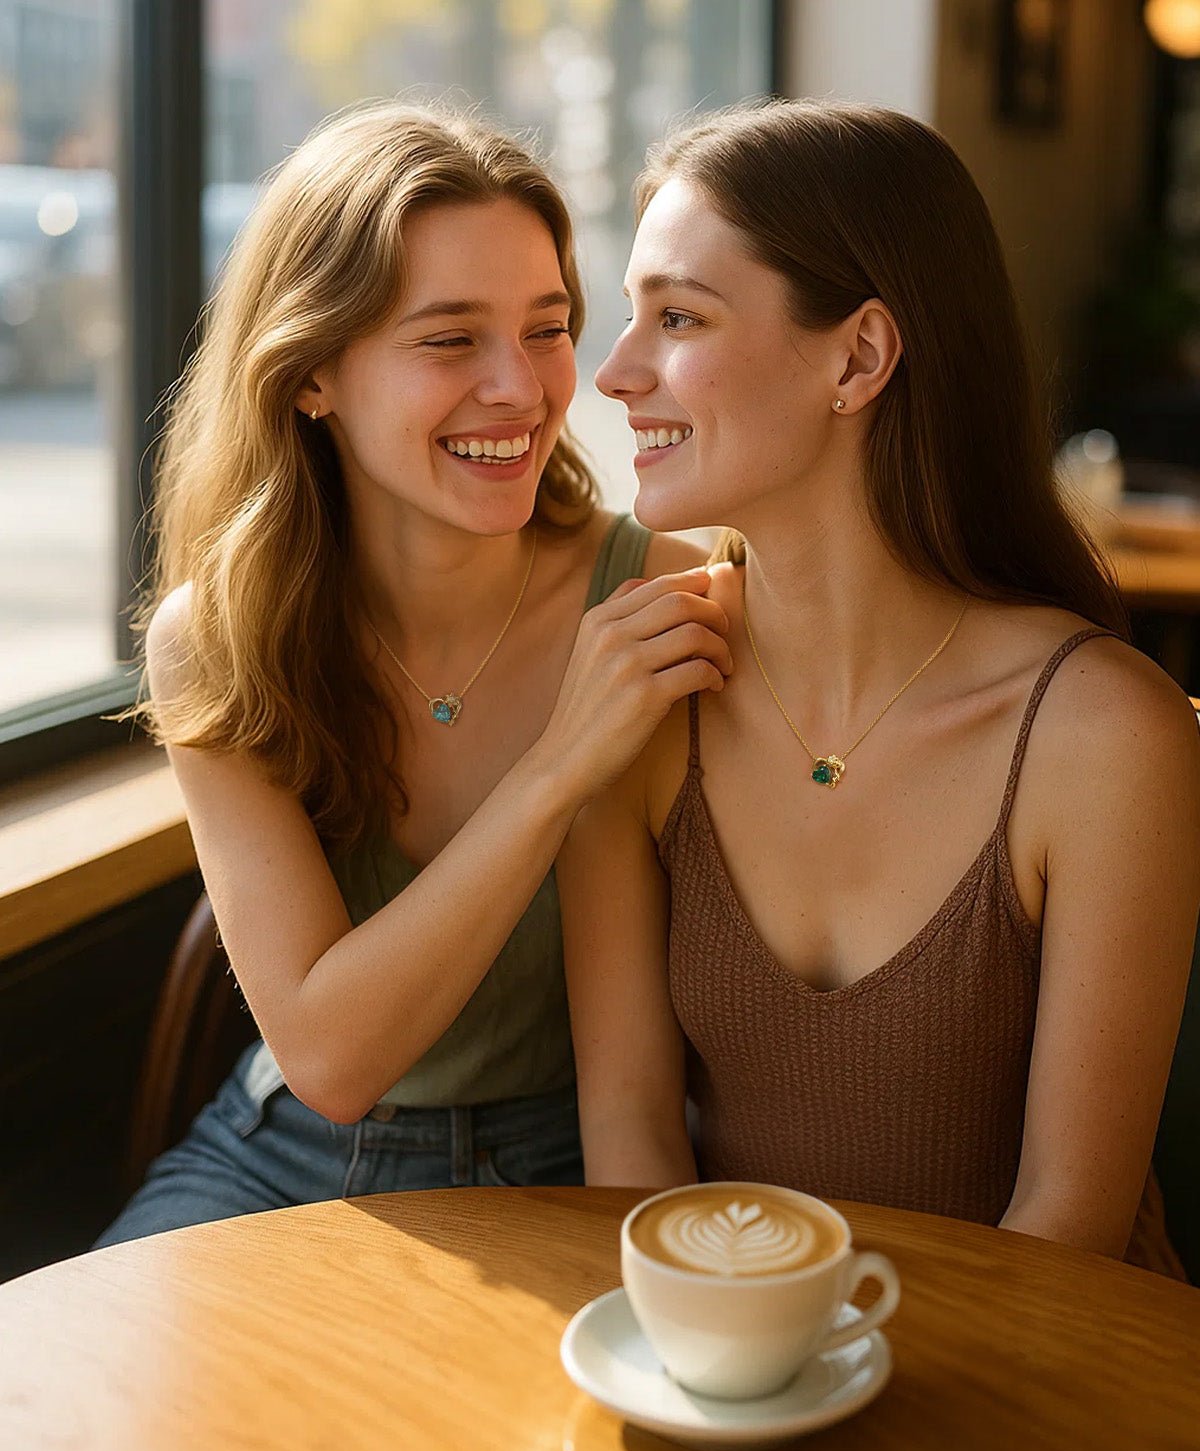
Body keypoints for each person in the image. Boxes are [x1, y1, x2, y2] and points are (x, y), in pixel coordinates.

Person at [559, 99, 1200, 1276]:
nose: (613, 373)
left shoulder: (1103, 733)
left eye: (679, 317)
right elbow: (634, 1141)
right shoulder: (642, 689)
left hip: (1053, 1383)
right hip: (739, 1375)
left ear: (858, 357)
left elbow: (1068, 1224)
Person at [95, 101, 732, 1247]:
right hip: (287, 1151)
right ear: (310, 377)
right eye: (450, 340)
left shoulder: (660, 595)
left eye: (546, 329)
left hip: (568, 1151)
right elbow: (329, 1059)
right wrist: (555, 770)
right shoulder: (220, 636)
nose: (524, 390)